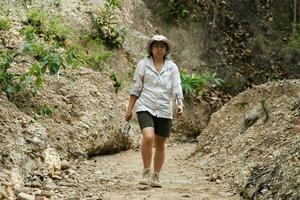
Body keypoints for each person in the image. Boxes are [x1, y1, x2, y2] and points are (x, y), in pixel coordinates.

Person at [125, 35, 184, 188]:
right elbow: (136, 87)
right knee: (148, 137)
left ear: (166, 50)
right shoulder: (143, 65)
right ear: (151, 49)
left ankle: (156, 175)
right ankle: (146, 171)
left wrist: (180, 104)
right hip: (146, 105)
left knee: (161, 144)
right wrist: (130, 108)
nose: (159, 49)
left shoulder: (172, 67)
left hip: (164, 108)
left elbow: (177, 88)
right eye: (156, 46)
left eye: (162, 47)